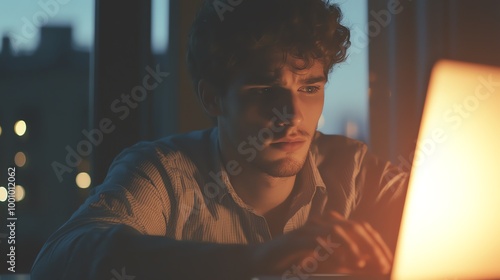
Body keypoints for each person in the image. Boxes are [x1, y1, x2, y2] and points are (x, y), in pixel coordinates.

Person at [31, 0, 408, 279]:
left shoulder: (353, 170)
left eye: (309, 87)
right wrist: (255, 260)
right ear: (212, 98)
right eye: (264, 90)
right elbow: (58, 262)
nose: (292, 115)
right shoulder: (164, 174)